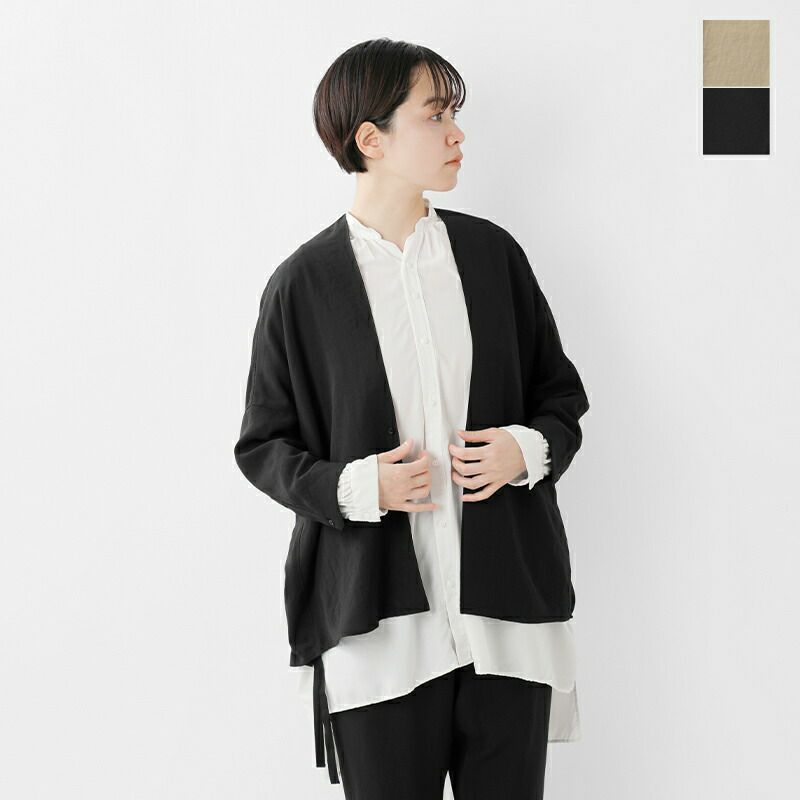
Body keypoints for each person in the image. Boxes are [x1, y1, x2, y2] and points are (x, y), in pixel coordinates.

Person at [234, 37, 590, 800]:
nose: (457, 133)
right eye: (436, 115)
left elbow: (560, 398)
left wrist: (525, 450)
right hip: (379, 635)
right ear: (371, 139)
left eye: (453, 114)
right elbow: (263, 446)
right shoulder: (302, 287)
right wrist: (357, 488)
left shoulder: (493, 257)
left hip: (505, 624)